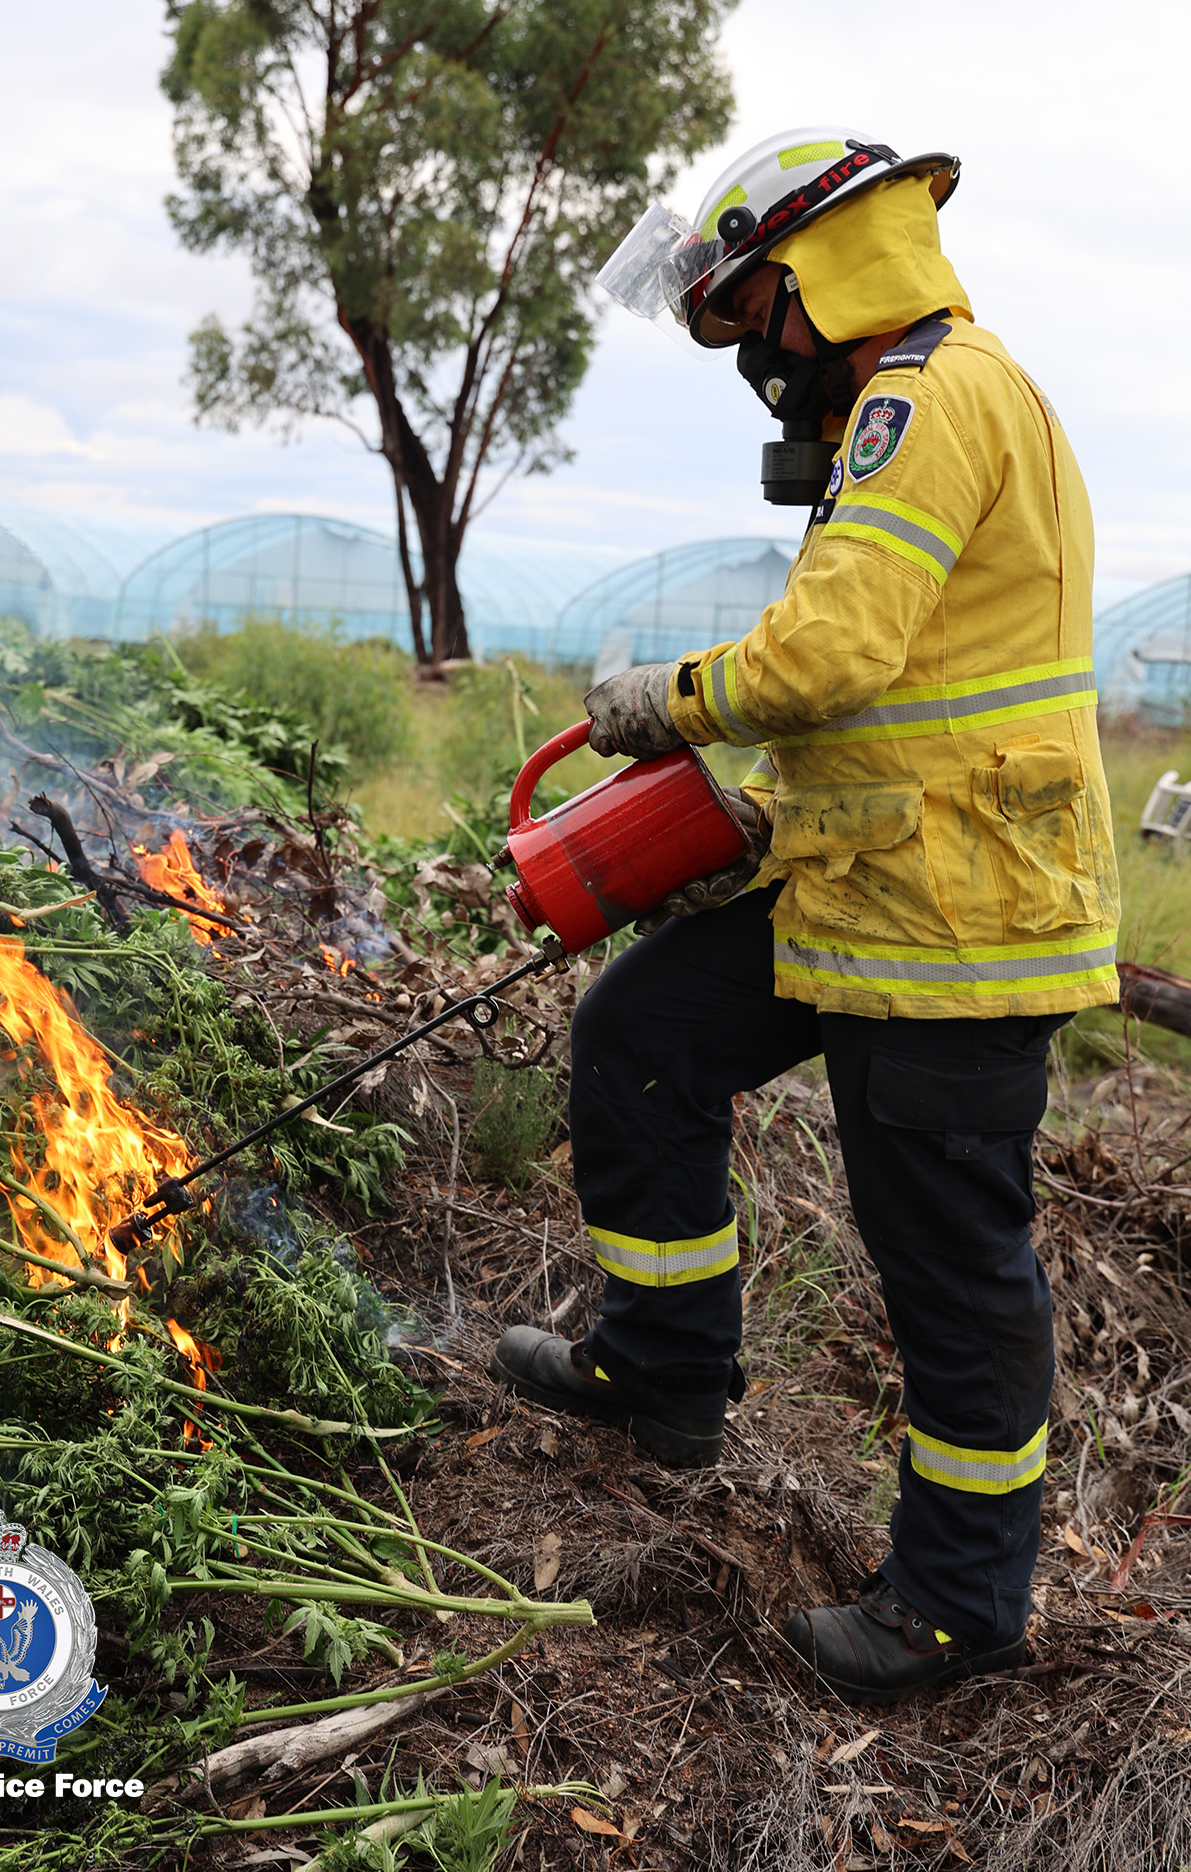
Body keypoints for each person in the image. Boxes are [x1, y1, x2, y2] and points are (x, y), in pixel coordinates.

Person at [490, 129, 1120, 1706]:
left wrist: (669, 704)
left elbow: (829, 654)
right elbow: (901, 686)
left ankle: (959, 1605)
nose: (747, 357)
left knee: (950, 1269)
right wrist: (769, 809)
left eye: (744, 313)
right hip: (870, 875)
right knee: (641, 1032)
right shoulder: (906, 402)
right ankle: (666, 1370)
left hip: (957, 920)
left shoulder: (927, 399)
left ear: (811, 273)